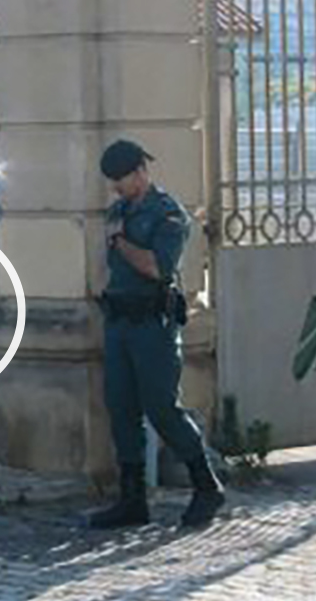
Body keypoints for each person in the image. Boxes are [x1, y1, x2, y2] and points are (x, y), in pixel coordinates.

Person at [87, 139, 226, 530]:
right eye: (112, 181)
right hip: (119, 322)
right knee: (121, 408)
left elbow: (156, 267)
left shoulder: (167, 214)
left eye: (121, 179)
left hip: (153, 325)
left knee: (162, 408)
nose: (116, 187)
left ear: (140, 172)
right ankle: (132, 500)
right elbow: (108, 267)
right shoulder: (118, 210)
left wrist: (119, 240)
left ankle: (206, 485)